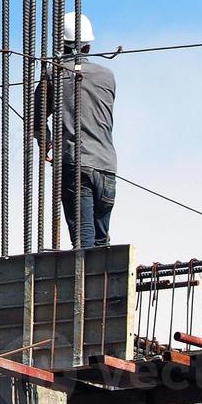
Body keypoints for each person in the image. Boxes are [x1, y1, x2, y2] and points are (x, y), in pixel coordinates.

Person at [32, 13, 118, 249]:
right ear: (88, 46)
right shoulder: (107, 76)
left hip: (75, 165)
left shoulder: (53, 75)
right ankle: (103, 284)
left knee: (84, 244)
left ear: (60, 44)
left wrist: (46, 143)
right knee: (101, 245)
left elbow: (36, 116)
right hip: (106, 166)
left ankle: (85, 285)